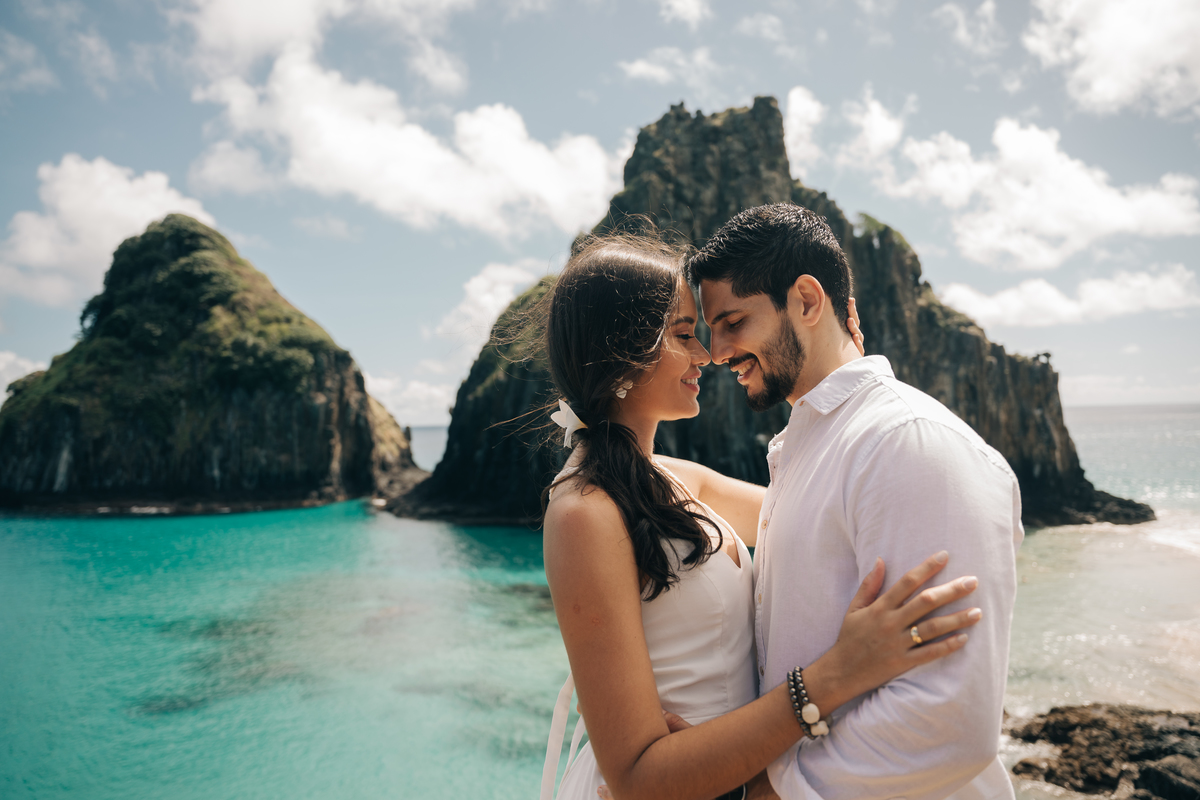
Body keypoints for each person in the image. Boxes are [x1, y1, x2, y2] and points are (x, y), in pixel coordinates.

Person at [538, 232, 985, 800]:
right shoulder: (584, 512)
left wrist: (842, 376)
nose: (707, 354)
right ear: (622, 352)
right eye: (683, 335)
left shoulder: (678, 478)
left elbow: (817, 512)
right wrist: (835, 675)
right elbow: (638, 778)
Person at [687, 203, 1023, 800]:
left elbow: (949, 720)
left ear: (808, 302)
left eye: (733, 321)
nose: (716, 352)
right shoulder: (813, 449)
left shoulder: (908, 442)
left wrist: (766, 788)